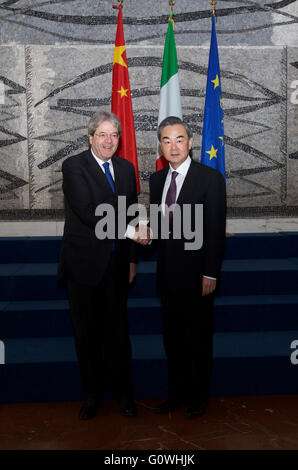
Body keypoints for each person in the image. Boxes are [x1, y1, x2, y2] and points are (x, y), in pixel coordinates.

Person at [58, 110, 139, 420]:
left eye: (114, 135)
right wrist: (132, 232)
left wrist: (132, 257)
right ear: (90, 137)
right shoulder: (74, 166)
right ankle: (93, 396)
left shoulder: (127, 168)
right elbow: (90, 213)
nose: (108, 140)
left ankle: (124, 395)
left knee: (118, 334)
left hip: (117, 265)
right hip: (83, 266)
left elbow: (131, 213)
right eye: (102, 134)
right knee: (87, 335)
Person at [149, 116, 226, 419]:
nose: (174, 146)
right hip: (168, 277)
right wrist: (145, 234)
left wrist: (211, 272)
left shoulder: (210, 179)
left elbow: (216, 230)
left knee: (199, 340)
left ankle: (199, 397)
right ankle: (176, 394)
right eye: (167, 140)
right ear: (161, 146)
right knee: (172, 340)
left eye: (179, 139)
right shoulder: (157, 181)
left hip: (198, 276)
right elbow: (159, 226)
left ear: (190, 142)